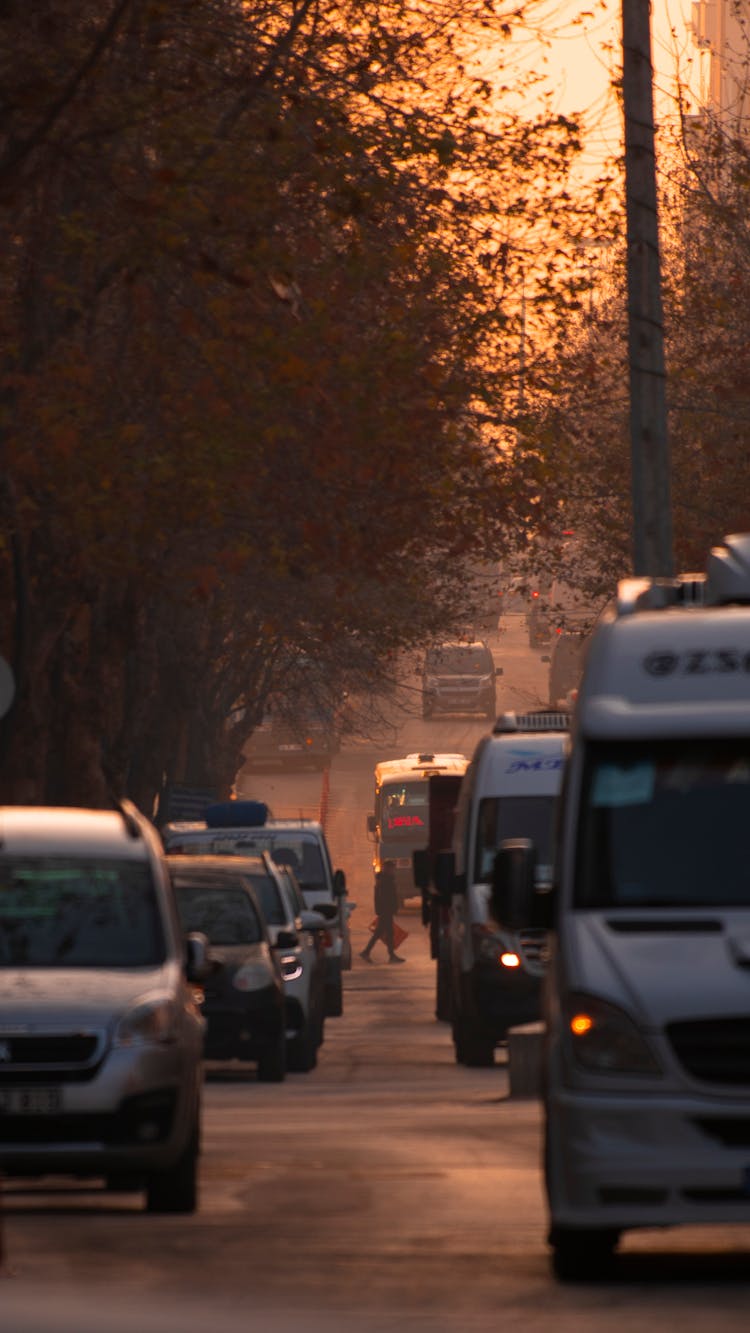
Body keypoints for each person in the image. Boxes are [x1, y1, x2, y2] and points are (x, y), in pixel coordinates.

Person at [360, 860, 405, 964]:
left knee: (383, 933)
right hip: (386, 911)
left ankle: (369, 952)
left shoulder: (385, 879)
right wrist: (388, 909)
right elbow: (384, 897)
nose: (393, 870)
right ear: (387, 869)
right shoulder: (385, 881)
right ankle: (389, 956)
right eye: (392, 868)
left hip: (386, 911)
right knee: (386, 933)